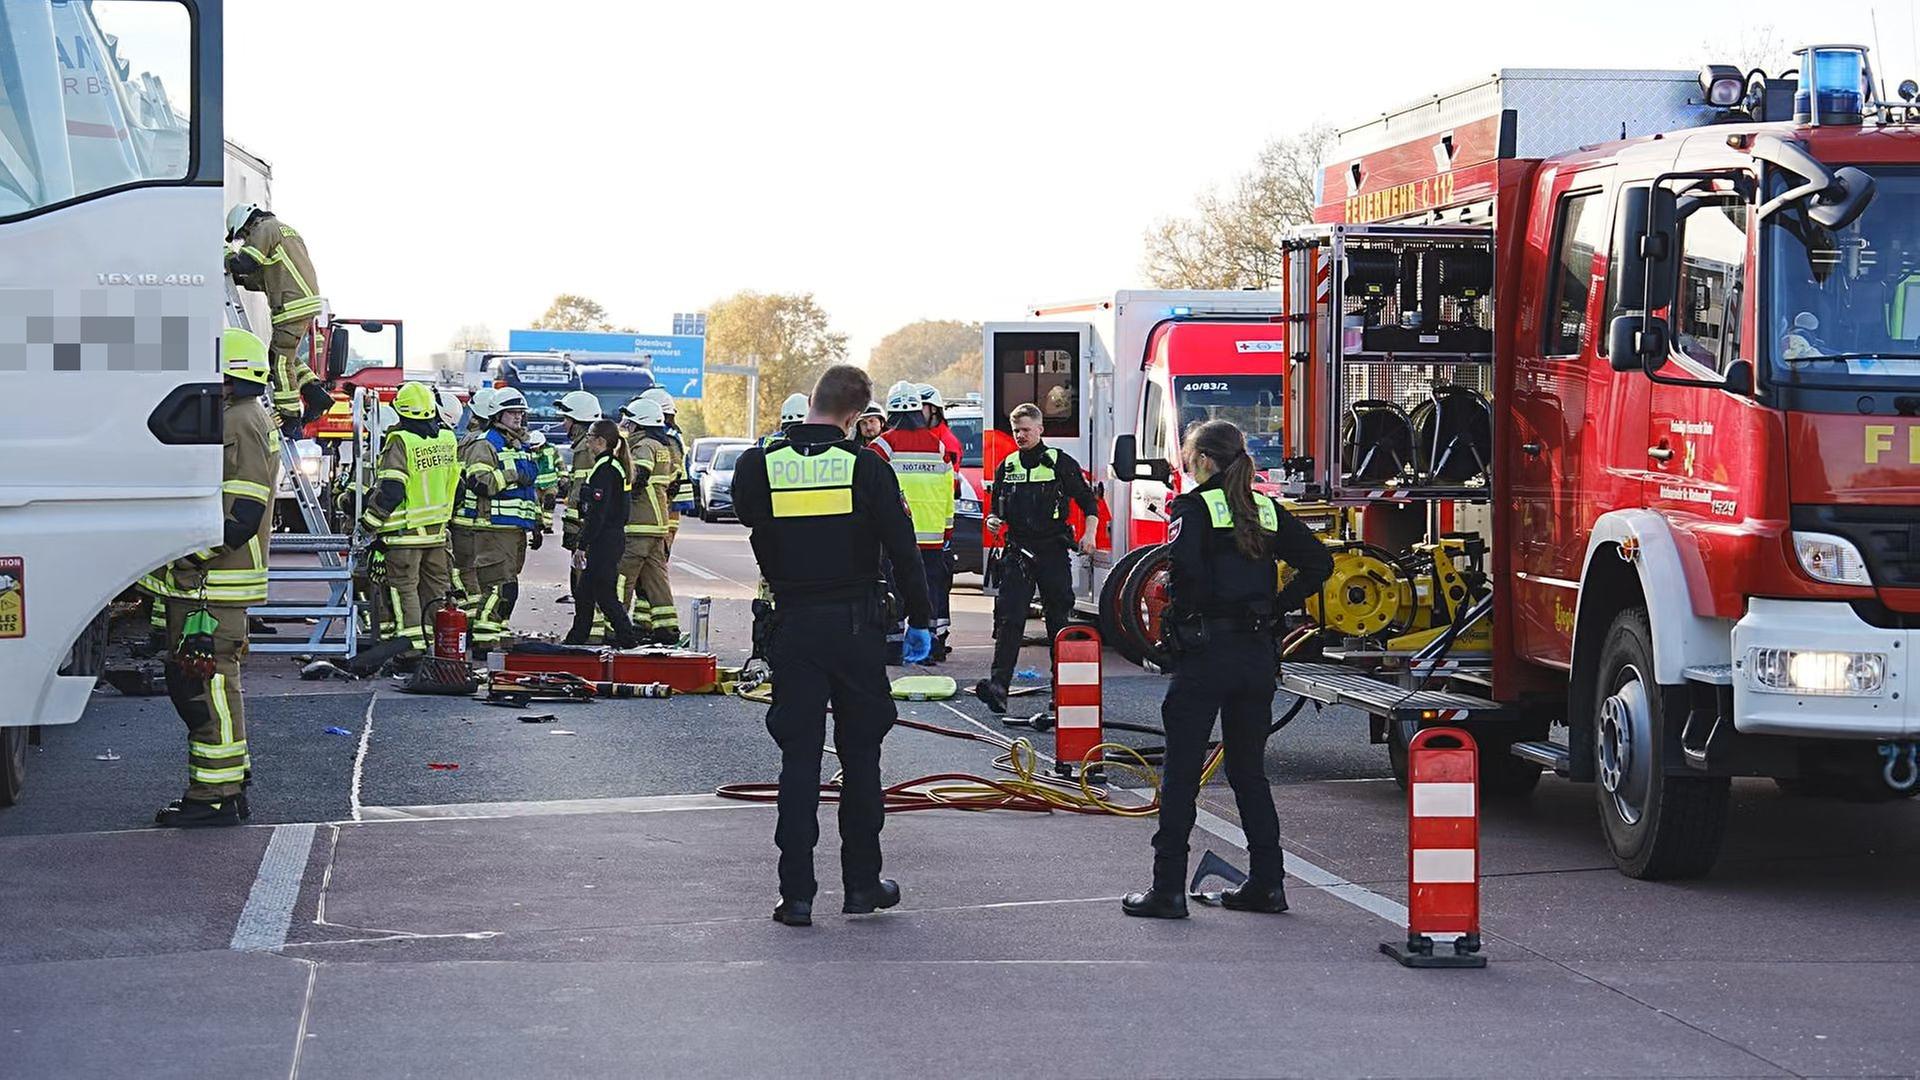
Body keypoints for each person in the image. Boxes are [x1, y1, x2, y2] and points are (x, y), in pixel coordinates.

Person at [731, 364, 934, 927]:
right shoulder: (866, 467)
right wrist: (921, 619)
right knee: (861, 757)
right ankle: (862, 885)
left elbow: (746, 511)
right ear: (855, 415)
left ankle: (795, 895)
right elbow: (903, 547)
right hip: (855, 629)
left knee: (797, 760)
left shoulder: (759, 465)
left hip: (792, 626)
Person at [1122, 420, 1332, 919]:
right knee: (1248, 774)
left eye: (1189, 454)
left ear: (1204, 461)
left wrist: (1176, 629)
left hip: (1206, 654)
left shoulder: (1191, 507)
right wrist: (1275, 607)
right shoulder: (1263, 507)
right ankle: (1268, 883)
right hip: (1256, 654)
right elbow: (1319, 563)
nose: (1186, 463)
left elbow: (1184, 576)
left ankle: (1167, 889)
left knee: (1181, 774)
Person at [137, 329, 277, 827]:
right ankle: (228, 787)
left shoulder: (239, 421)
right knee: (215, 686)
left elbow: (239, 515)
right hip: (209, 586)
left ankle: (211, 798)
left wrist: (188, 554)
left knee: (202, 689)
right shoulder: (241, 416)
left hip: (210, 585)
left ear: (228, 375)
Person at [972, 403, 1099, 713]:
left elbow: (1088, 503)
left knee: (1058, 621)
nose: (1021, 436)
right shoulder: (1008, 465)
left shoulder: (1058, 462)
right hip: (1018, 551)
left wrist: (1090, 535)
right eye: (1016, 431)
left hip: (1053, 550)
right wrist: (992, 521)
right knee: (1009, 619)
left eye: (1026, 430)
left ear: (1041, 430)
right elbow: (996, 512)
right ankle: (999, 686)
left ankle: (1063, 691)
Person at [358, 382, 461, 662]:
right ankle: (436, 646)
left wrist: (369, 523)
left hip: (404, 536)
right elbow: (457, 486)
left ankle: (411, 648)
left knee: (405, 590)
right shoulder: (447, 438)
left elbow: (392, 489)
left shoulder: (400, 440)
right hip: (437, 535)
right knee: (434, 592)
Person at [224, 203, 333, 437]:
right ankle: (316, 394)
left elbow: (246, 263)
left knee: (279, 362)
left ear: (246, 223)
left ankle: (290, 417)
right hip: (302, 300)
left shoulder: (263, 229)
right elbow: (263, 276)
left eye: (242, 235)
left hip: (291, 304)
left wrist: (225, 257)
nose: (244, 240)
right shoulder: (282, 230)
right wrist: (240, 279)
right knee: (285, 355)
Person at [870, 383, 956, 662]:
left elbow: (870, 492)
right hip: (932, 536)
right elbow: (948, 492)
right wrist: (946, 531)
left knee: (893, 589)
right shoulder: (939, 446)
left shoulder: (882, 446)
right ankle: (930, 647)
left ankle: (894, 647)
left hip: (894, 537)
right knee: (928, 590)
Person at [453, 387, 541, 656]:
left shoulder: (520, 445)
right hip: (493, 527)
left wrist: (535, 521)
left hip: (515, 528)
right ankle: (484, 639)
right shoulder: (485, 444)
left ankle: (496, 632)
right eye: (512, 413)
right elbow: (480, 483)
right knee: (498, 585)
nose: (518, 418)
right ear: (497, 415)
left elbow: (529, 491)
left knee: (508, 585)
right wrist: (514, 474)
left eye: (521, 413)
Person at [565, 420, 644, 648]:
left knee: (605, 594)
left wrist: (582, 544)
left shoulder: (605, 468)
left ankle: (628, 640)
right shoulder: (611, 465)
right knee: (585, 592)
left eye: (590, 436)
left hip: (604, 540)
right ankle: (577, 638)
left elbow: (598, 513)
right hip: (609, 537)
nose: (587, 440)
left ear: (601, 441)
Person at [616, 396, 680, 645]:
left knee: (623, 577)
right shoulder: (664, 448)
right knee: (656, 580)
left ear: (639, 425)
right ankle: (667, 628)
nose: (627, 428)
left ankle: (617, 624)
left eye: (630, 423)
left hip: (638, 525)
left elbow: (638, 476)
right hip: (658, 525)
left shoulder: (643, 447)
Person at [554, 389, 609, 641]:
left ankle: (591, 634)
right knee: (581, 581)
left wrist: (575, 531)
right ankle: (587, 631)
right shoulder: (583, 449)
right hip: (589, 530)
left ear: (577, 421)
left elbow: (582, 497)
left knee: (585, 582)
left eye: (566, 418)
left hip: (588, 531)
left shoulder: (586, 450)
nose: (563, 423)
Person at [641, 387, 691, 556]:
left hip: (667, 502)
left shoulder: (667, 438)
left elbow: (669, 473)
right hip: (668, 503)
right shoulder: (671, 435)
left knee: (658, 554)